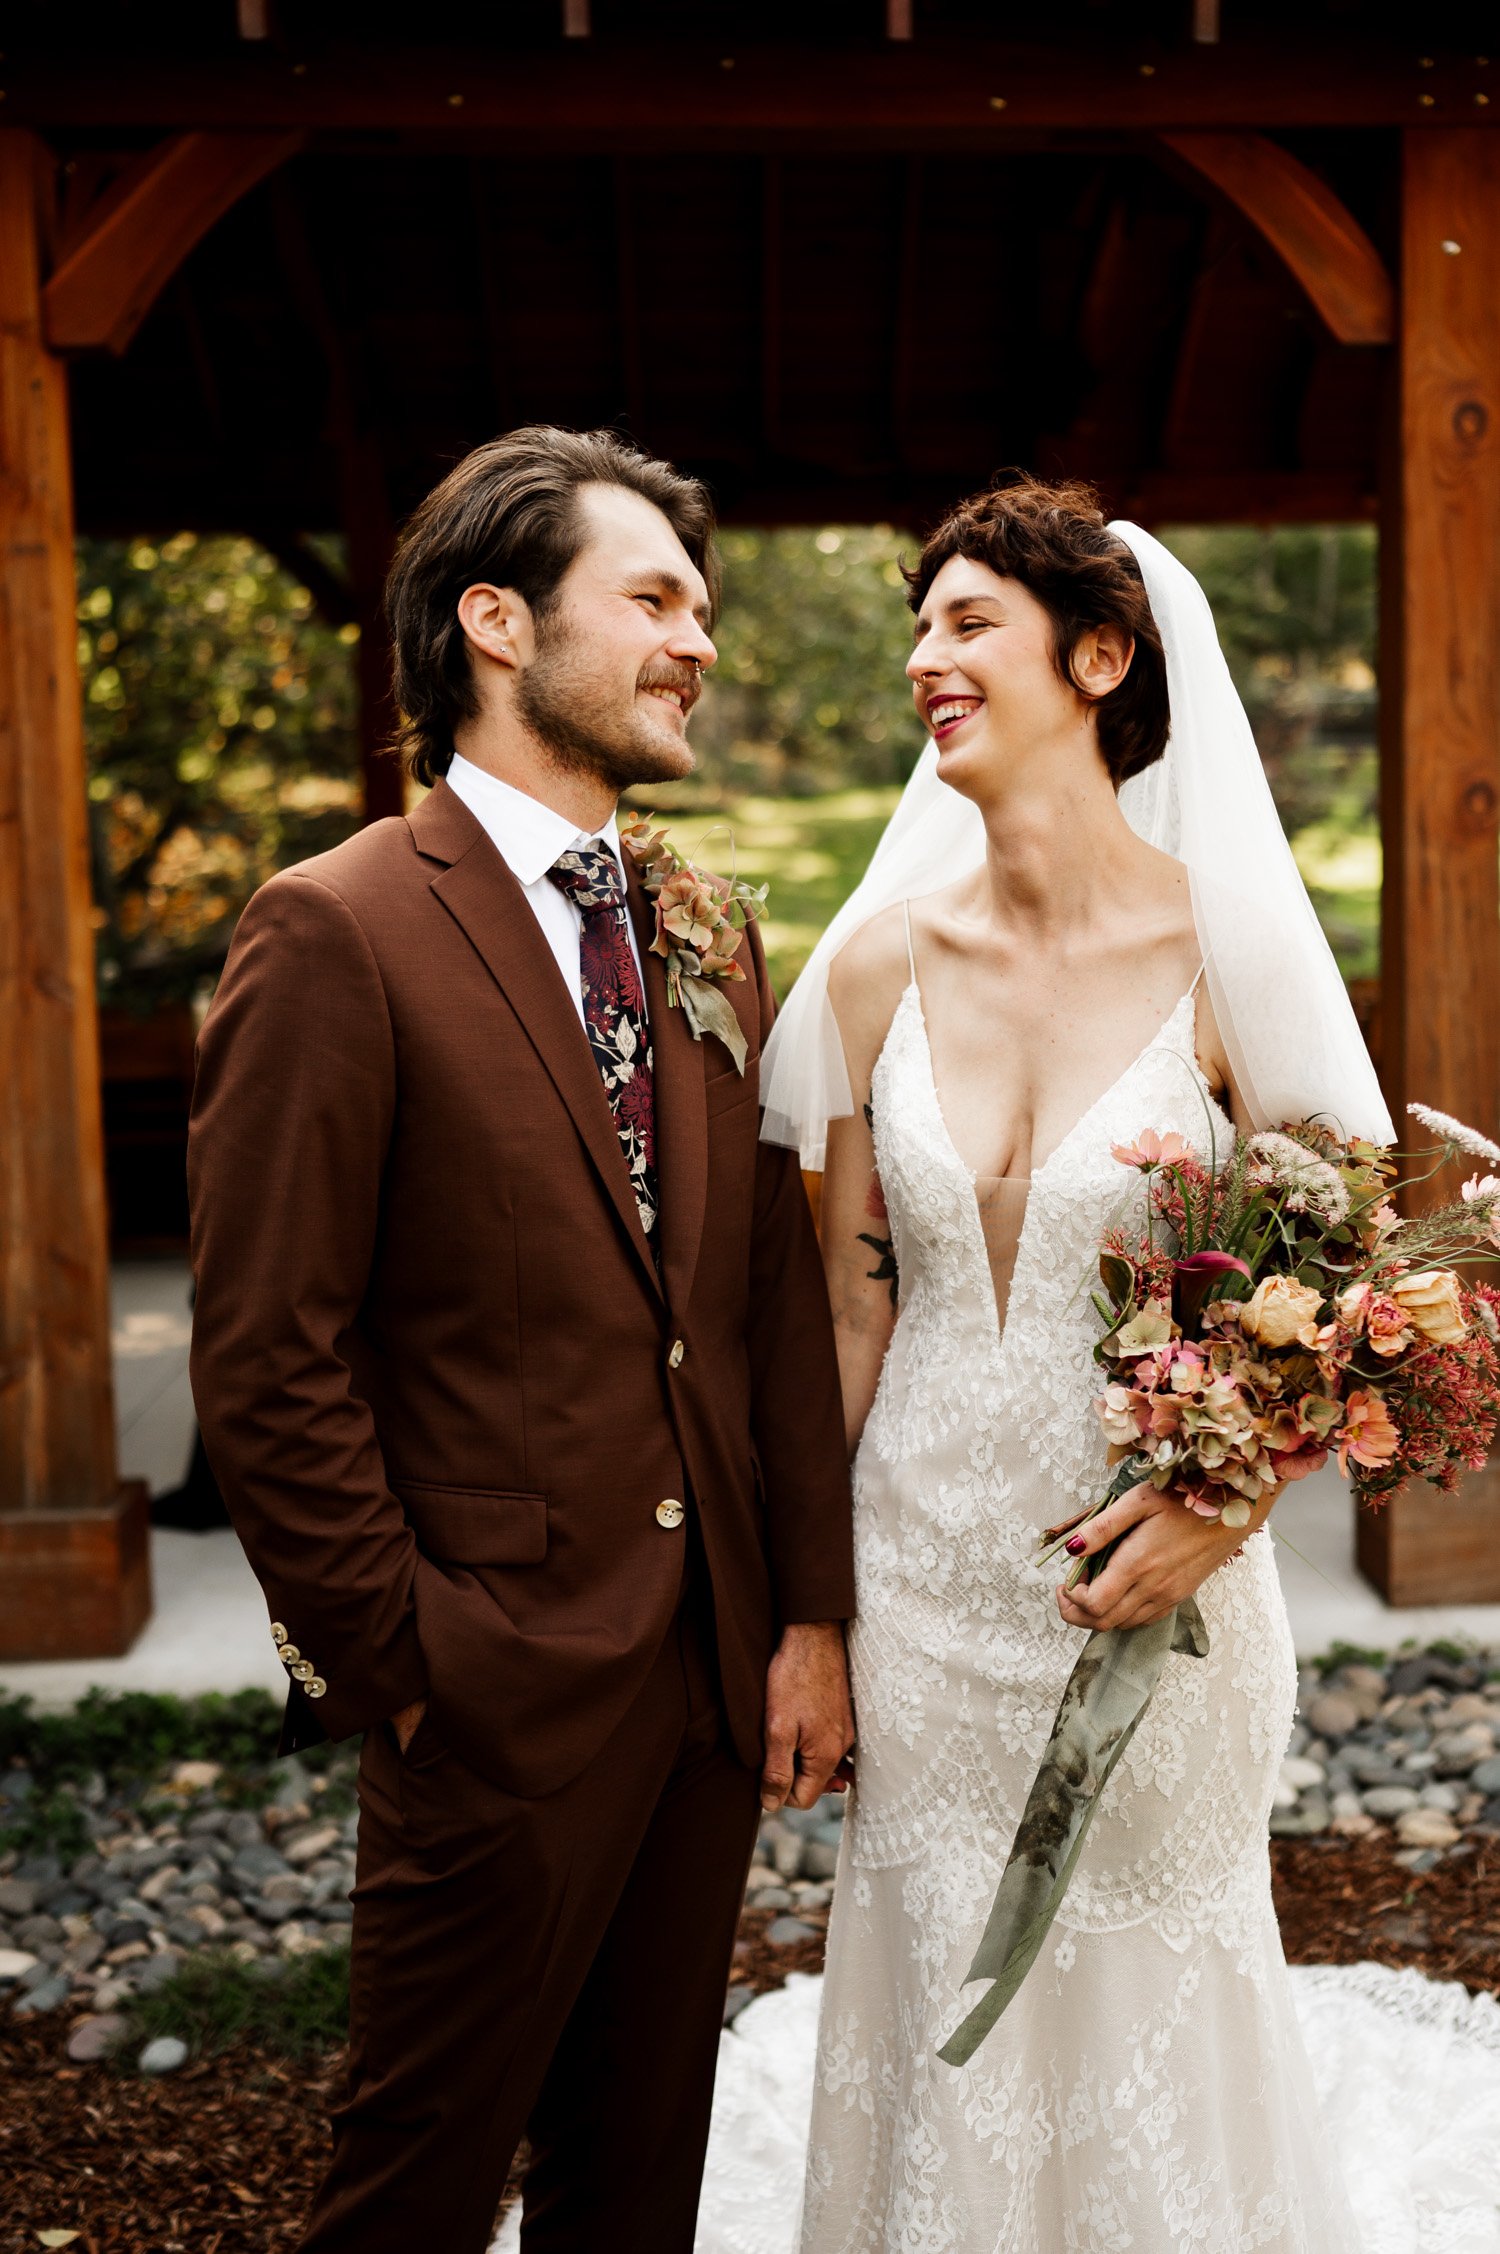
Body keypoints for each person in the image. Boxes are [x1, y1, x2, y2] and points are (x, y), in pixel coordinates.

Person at [187, 425, 856, 2254]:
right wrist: (405, 1658)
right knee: (408, 2192)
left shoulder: (704, 923)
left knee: (634, 2192)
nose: (696, 638)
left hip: (708, 1688)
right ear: (497, 619)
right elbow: (265, 1353)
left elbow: (761, 1302)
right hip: (485, 1691)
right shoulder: (332, 930)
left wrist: (805, 1614)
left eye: (701, 606)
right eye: (651, 597)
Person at [756, 477, 1392, 2250]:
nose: (922, 659)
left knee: (1151, 2003)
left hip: (1159, 1597)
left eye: (968, 623)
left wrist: (1225, 1501)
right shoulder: (875, 962)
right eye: (920, 624)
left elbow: (1361, 1301)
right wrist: (808, 1617)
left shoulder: (1225, 951)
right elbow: (845, 1317)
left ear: (1101, 656)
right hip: (923, 1592)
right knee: (937, 1999)